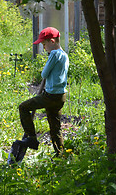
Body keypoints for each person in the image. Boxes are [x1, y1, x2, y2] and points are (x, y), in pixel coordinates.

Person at [18, 27, 69, 155]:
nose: (43, 47)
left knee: (23, 107)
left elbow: (44, 74)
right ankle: (60, 155)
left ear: (52, 41)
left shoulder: (54, 54)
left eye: (44, 44)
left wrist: (47, 65)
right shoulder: (64, 55)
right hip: (61, 96)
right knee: (55, 128)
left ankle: (31, 139)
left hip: (50, 96)